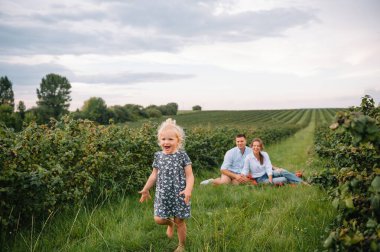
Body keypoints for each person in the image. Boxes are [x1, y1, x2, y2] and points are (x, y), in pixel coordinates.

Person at [139, 118, 194, 252]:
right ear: (160, 141)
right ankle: (170, 224)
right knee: (158, 219)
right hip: (163, 194)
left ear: (178, 141)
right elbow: (154, 175)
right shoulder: (158, 156)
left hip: (180, 193)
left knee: (180, 220)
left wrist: (188, 189)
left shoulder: (182, 155)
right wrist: (146, 189)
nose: (166, 142)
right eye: (163, 139)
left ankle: (181, 245)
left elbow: (190, 175)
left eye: (170, 139)